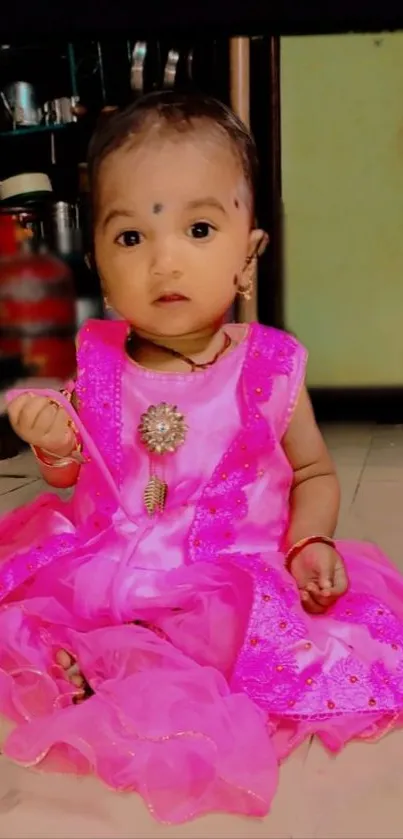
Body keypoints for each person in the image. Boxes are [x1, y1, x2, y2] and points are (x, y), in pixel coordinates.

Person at [1, 91, 403, 825]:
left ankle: (125, 664)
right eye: (130, 238)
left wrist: (309, 537)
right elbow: (72, 473)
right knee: (51, 607)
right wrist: (53, 445)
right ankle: (102, 657)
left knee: (244, 641)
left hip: (225, 573)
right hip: (108, 562)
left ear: (247, 250)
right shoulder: (94, 364)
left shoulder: (269, 368)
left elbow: (312, 471)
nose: (165, 260)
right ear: (95, 258)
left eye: (197, 227)